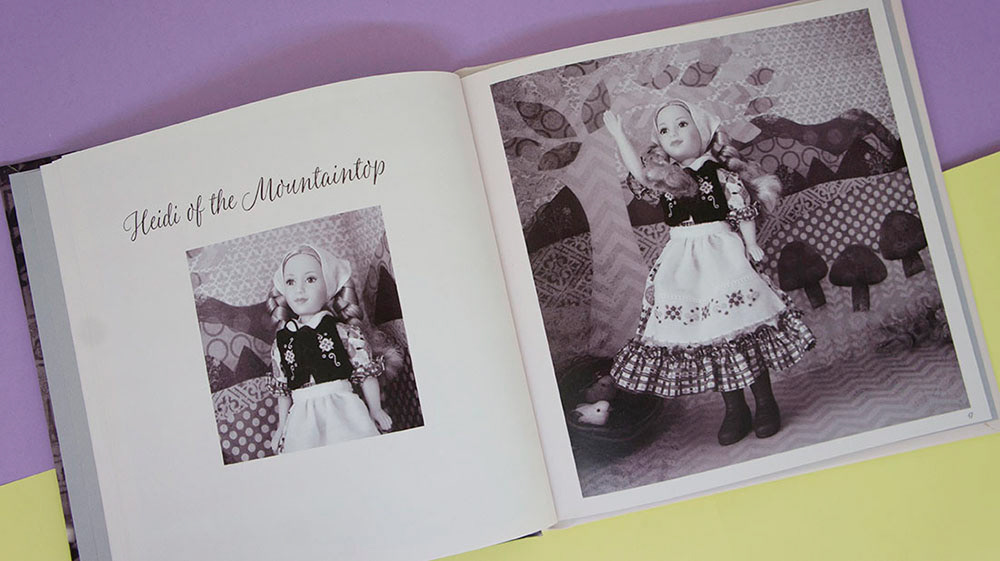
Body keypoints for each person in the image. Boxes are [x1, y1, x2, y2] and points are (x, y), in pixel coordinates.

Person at [603, 100, 815, 445]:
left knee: (740, 327)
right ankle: (734, 409)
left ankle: (765, 402)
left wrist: (750, 243)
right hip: (681, 259)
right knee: (709, 334)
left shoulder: (720, 174)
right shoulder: (664, 176)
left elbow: (742, 209)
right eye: (664, 129)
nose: (673, 134)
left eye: (682, 124)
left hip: (720, 252)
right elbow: (639, 175)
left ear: (703, 130)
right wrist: (619, 136)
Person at [266, 244, 392, 454]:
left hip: (344, 409)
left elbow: (366, 374)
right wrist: (281, 427)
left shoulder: (344, 333)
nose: (299, 289)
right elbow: (283, 390)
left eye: (310, 279)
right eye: (290, 281)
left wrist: (376, 410)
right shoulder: (282, 342)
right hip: (301, 419)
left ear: (329, 286)